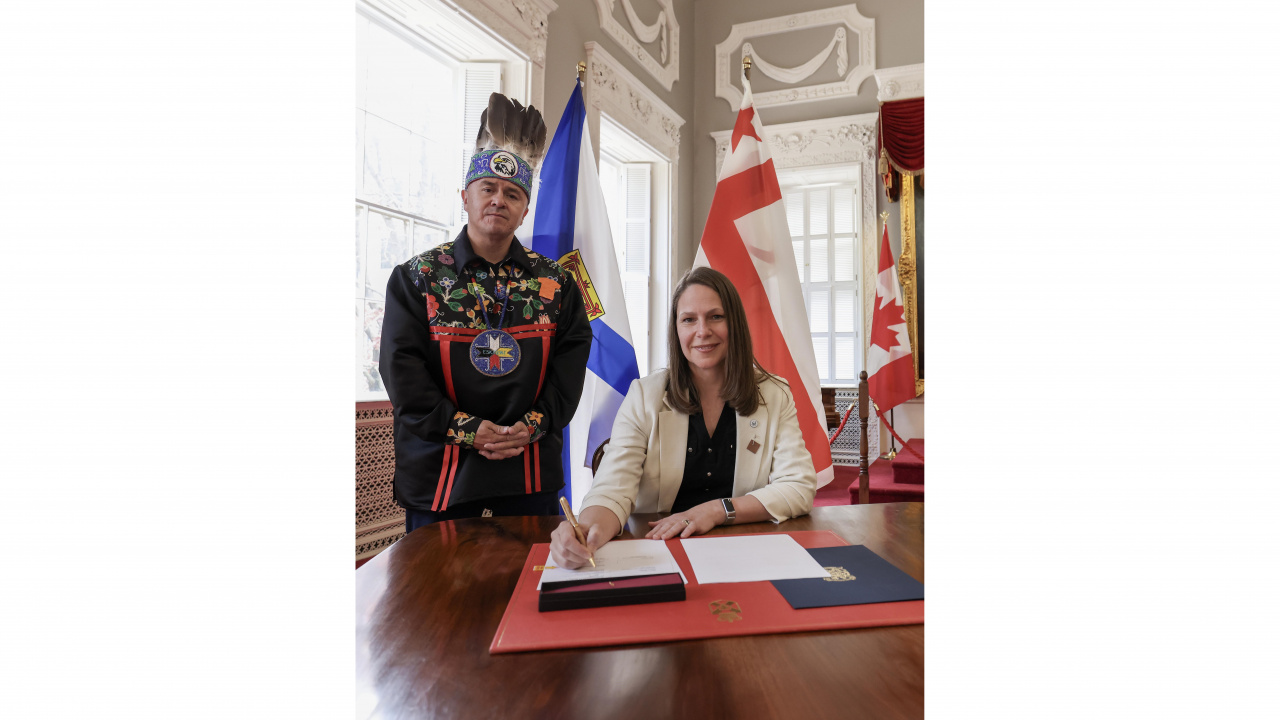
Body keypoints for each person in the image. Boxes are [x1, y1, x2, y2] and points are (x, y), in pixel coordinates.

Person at [380, 93, 592, 532]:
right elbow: (403, 374)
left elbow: (570, 371)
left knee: (527, 594)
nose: (499, 200)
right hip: (440, 480)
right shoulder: (415, 278)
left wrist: (533, 425)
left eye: (512, 194)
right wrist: (465, 428)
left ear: (525, 209)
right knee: (436, 599)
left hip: (529, 473)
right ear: (465, 196)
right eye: (488, 189)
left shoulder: (559, 284)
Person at [550, 267, 817, 568]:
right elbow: (612, 488)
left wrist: (717, 510)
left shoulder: (774, 394)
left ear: (735, 324)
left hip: (744, 550)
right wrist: (587, 530)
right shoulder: (644, 396)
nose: (702, 331)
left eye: (716, 316)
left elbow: (798, 486)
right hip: (660, 553)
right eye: (689, 319)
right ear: (676, 330)